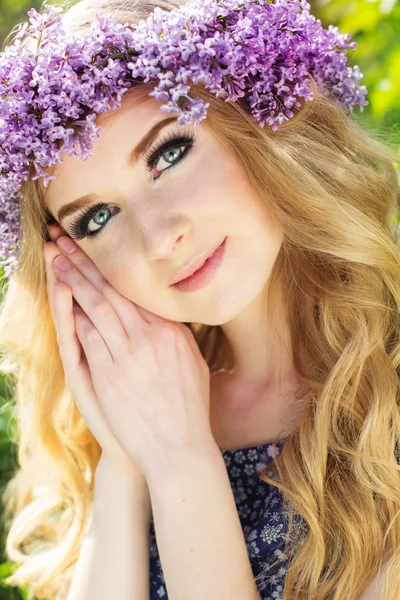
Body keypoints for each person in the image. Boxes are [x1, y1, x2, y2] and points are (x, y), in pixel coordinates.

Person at [0, 0, 399, 599]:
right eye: (98, 218)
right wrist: (124, 464)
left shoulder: (385, 397)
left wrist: (182, 462)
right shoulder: (138, 409)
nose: (161, 239)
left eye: (169, 154)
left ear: (256, 121)